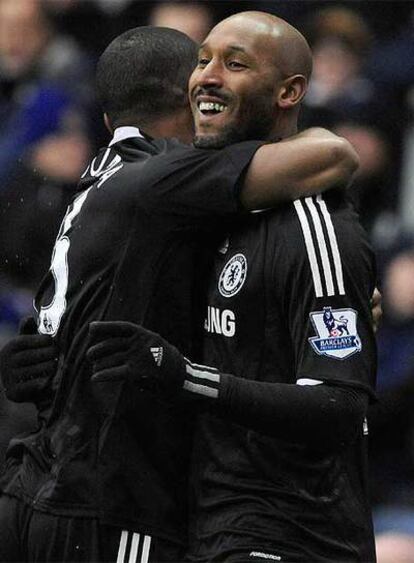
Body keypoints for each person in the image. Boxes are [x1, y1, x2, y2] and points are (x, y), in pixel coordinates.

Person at [0, 22, 359, 563]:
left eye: (231, 65)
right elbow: (335, 155)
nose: (211, 80)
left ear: (106, 118)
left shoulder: (98, 178)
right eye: (202, 64)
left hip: (36, 484)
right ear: (185, 98)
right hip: (112, 507)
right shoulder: (163, 181)